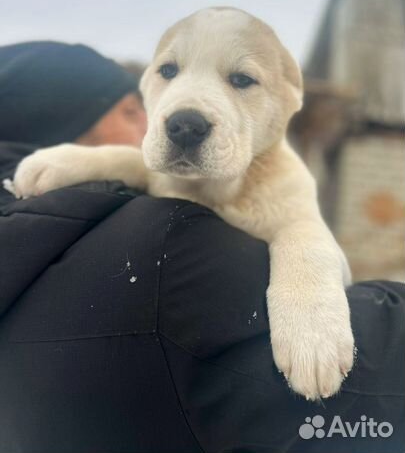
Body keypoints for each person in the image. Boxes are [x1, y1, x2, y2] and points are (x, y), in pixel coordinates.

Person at [0, 41, 404, 453]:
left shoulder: (24, 245)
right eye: (129, 111)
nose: (152, 120)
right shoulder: (167, 242)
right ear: (61, 126)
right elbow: (366, 397)